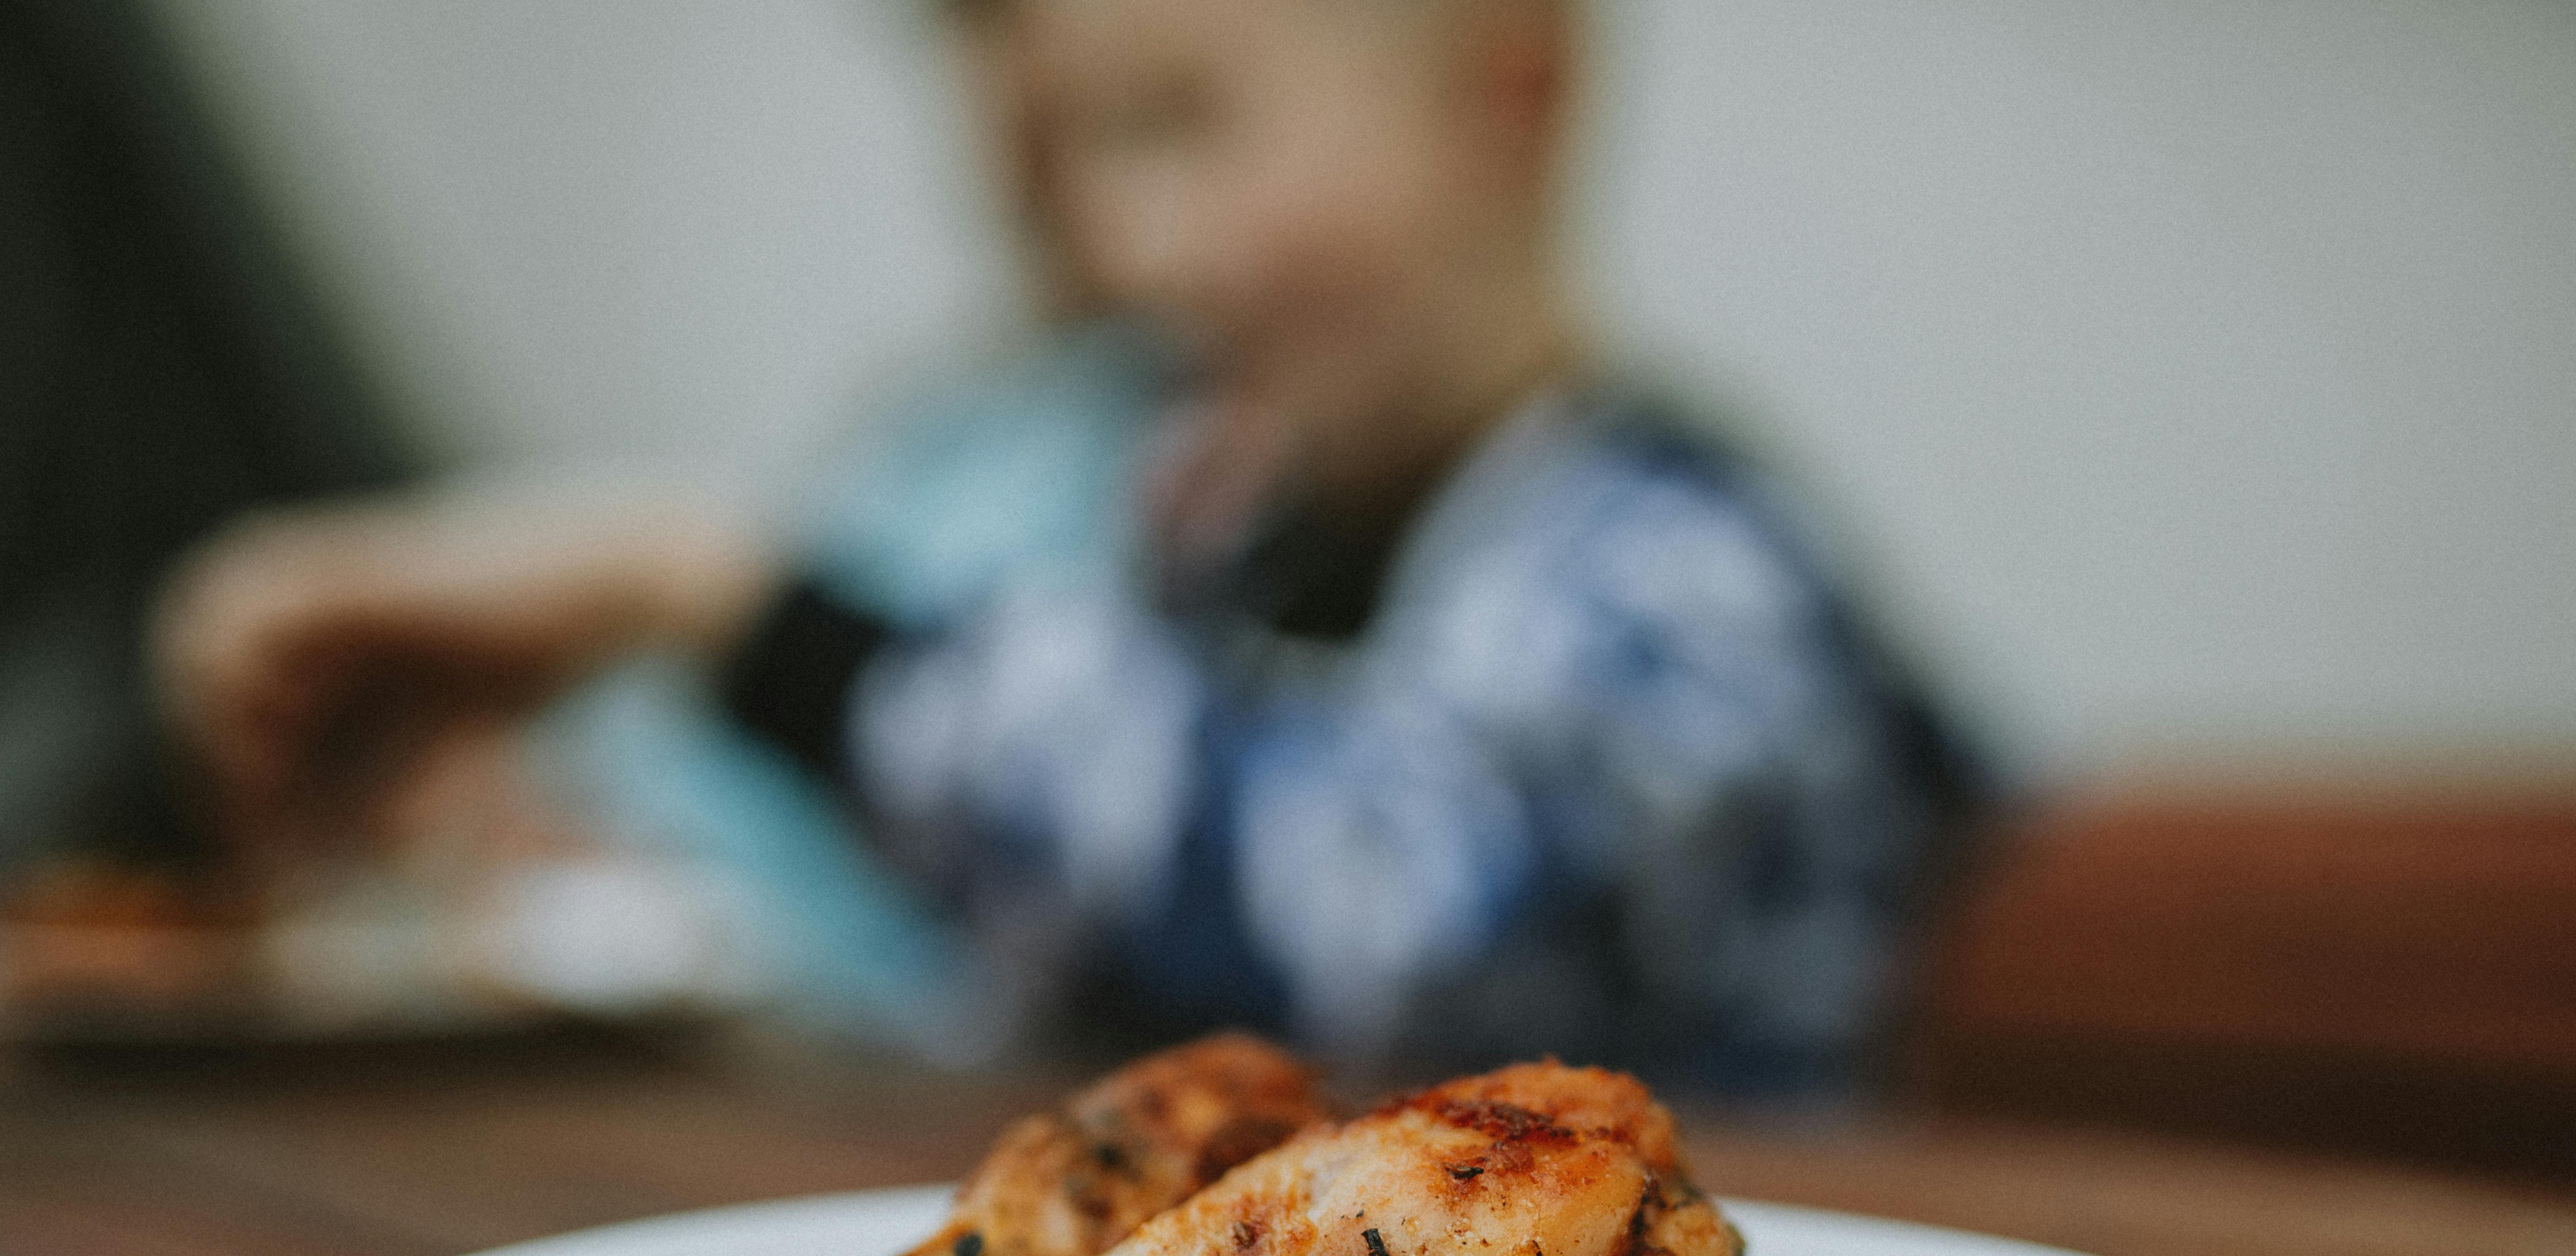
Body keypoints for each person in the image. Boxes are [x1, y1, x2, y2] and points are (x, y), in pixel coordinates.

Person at [159, 0, 1978, 1095]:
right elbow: (1034, 967)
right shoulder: (1255, 551)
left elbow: (1347, 910)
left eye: (1181, 122)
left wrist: (718, 600)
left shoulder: (1685, 584)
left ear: (1507, 85)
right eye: (1086, 158)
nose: (1126, 250)